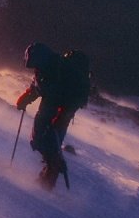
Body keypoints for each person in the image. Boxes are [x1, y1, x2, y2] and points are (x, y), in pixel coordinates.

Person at [15, 42, 91, 190]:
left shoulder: (54, 70)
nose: (34, 68)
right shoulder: (48, 67)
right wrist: (25, 99)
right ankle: (51, 167)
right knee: (45, 136)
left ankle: (49, 177)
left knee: (49, 136)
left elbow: (46, 89)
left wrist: (60, 116)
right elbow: (39, 87)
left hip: (65, 105)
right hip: (59, 103)